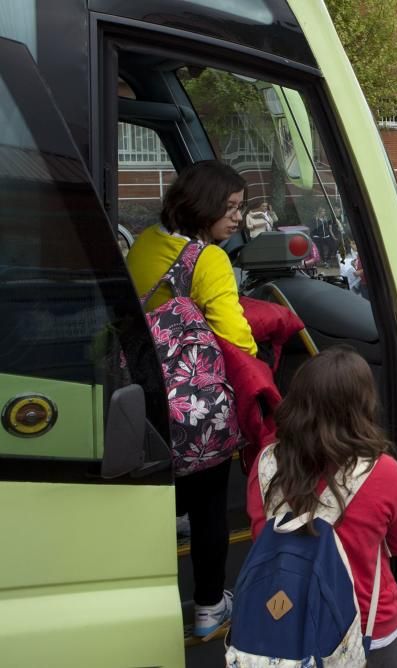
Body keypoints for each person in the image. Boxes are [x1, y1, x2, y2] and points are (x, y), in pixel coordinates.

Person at [126, 160, 256, 637]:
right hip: (195, 402)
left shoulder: (143, 244)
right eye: (232, 208)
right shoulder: (208, 259)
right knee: (209, 507)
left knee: (164, 487)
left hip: (143, 392)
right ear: (204, 206)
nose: (238, 218)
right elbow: (234, 334)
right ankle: (208, 606)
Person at [246, 348, 397, 667]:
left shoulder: (265, 465)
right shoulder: (383, 472)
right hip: (368, 626)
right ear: (362, 405)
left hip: (285, 624)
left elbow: (261, 537)